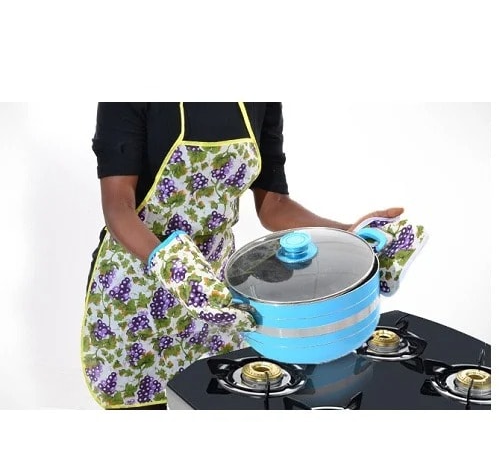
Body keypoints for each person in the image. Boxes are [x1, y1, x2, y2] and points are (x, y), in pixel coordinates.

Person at [81, 102, 403, 409]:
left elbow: (274, 205)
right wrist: (179, 270)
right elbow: (118, 207)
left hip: (217, 298)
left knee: (209, 402)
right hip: (137, 295)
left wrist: (349, 234)